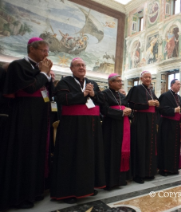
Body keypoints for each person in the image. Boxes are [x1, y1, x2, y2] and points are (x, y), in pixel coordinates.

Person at [0, 37, 53, 210]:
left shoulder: (40, 68)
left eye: (47, 51)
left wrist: (48, 77)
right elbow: (30, 88)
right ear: (32, 49)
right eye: (44, 50)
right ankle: (20, 196)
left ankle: (35, 192)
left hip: (39, 116)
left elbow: (47, 93)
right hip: (23, 116)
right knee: (23, 154)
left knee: (37, 153)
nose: (47, 54)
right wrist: (44, 74)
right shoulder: (18, 65)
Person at [51, 57, 105, 203]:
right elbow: (61, 98)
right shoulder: (65, 82)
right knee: (71, 156)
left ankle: (87, 188)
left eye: (83, 65)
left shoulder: (92, 83)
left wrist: (93, 94)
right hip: (72, 127)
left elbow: (101, 99)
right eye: (78, 65)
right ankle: (68, 192)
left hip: (91, 125)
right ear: (71, 68)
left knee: (88, 156)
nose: (81, 67)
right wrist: (83, 95)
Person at [125, 71, 160, 184]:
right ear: (141, 78)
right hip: (140, 120)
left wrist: (157, 103)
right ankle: (138, 174)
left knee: (149, 146)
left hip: (151, 121)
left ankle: (149, 172)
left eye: (150, 77)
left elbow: (155, 101)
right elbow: (130, 104)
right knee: (140, 146)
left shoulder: (150, 90)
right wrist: (147, 104)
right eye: (146, 77)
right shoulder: (136, 89)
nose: (148, 79)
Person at [100, 73, 132, 189]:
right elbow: (104, 110)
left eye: (121, 81)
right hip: (110, 127)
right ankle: (109, 181)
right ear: (111, 82)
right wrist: (121, 113)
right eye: (118, 81)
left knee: (120, 151)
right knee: (110, 151)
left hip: (123, 126)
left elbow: (128, 108)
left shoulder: (122, 96)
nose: (121, 83)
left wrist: (129, 111)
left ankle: (120, 179)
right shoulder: (104, 94)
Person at [158, 79, 181, 176]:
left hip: (176, 125)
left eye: (180, 84)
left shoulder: (178, 97)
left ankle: (174, 167)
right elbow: (161, 109)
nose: (179, 86)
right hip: (167, 124)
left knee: (174, 147)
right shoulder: (165, 96)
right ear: (172, 84)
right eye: (178, 84)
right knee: (166, 146)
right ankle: (164, 169)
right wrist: (173, 110)